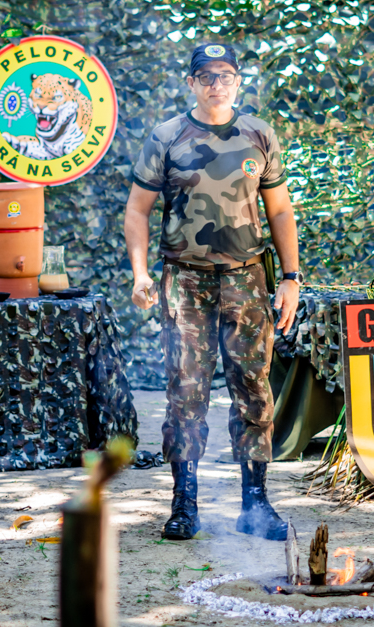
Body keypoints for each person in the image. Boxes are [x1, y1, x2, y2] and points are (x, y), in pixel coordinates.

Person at [124, 43, 302, 541]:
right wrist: (140, 273)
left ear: (238, 82)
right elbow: (137, 210)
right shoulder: (166, 137)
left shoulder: (258, 134)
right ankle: (185, 504)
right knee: (186, 391)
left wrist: (290, 278)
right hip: (185, 280)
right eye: (205, 76)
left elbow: (280, 212)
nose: (216, 84)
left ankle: (256, 504)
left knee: (253, 389)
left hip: (247, 278)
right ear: (191, 83)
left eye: (225, 76)